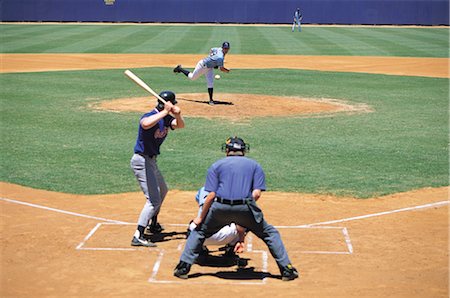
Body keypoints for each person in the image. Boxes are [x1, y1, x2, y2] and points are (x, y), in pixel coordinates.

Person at [173, 136, 299, 281]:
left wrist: (201, 218)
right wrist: (247, 211)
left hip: (219, 208)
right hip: (245, 207)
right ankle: (287, 269)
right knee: (270, 233)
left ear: (227, 150)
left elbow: (211, 195)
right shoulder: (254, 165)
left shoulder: (217, 165)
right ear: (243, 151)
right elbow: (256, 193)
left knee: (200, 232)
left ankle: (183, 267)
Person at [130, 91, 185, 247]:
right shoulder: (150, 115)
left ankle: (153, 223)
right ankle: (138, 235)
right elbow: (145, 124)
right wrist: (165, 111)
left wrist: (177, 115)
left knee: (163, 190)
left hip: (151, 161)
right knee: (153, 200)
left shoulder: (166, 118)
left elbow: (180, 125)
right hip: (141, 160)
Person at [189, 186, 247, 255]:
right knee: (245, 221)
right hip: (226, 236)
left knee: (192, 225)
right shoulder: (234, 193)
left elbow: (201, 204)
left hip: (202, 237)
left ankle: (201, 250)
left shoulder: (204, 189)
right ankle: (231, 249)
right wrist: (241, 240)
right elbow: (240, 223)